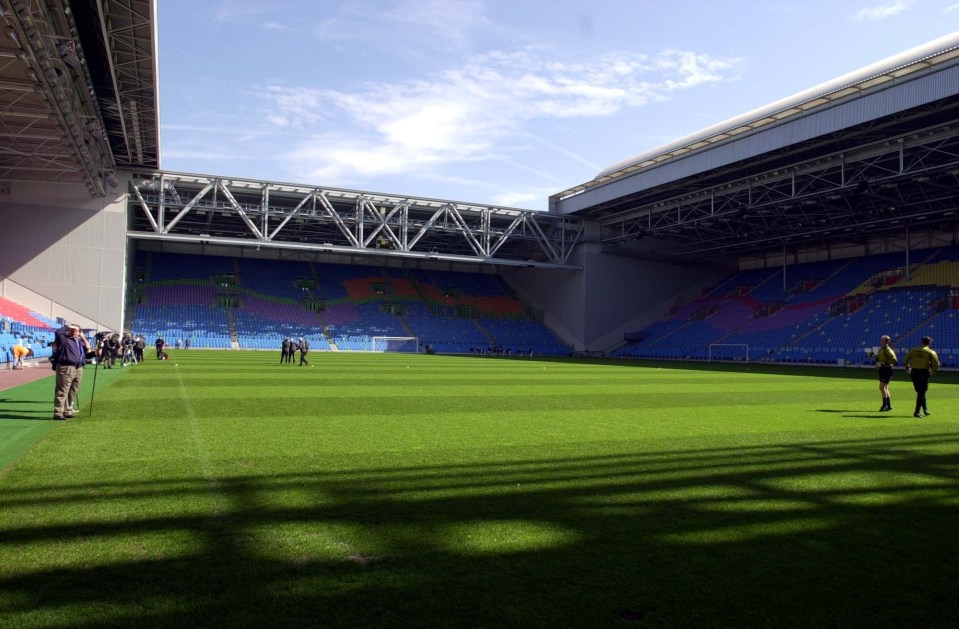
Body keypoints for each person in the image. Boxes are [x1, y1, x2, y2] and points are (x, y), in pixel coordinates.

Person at [51, 324, 92, 420]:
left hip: (78, 367)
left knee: (73, 390)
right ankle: (58, 412)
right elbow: (58, 332)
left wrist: (82, 336)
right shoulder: (64, 340)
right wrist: (68, 326)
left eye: (76, 331)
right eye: (73, 330)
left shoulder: (78, 342)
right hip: (66, 367)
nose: (74, 332)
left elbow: (88, 348)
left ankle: (68, 410)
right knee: (63, 390)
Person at [904, 336, 939, 418]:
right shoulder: (931, 352)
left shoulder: (913, 350)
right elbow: (936, 363)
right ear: (929, 343)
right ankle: (916, 412)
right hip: (923, 373)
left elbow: (906, 359)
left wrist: (908, 367)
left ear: (921, 342)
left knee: (920, 392)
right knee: (921, 393)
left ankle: (925, 409)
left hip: (914, 373)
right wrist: (933, 370)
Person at [875, 334, 897, 411]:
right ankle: (888, 405)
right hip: (882, 369)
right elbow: (878, 358)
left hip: (886, 370)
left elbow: (894, 359)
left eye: (887, 340)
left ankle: (884, 405)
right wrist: (874, 357)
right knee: (885, 387)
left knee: (881, 387)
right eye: (885, 340)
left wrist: (885, 363)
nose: (885, 341)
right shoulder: (881, 349)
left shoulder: (888, 349)